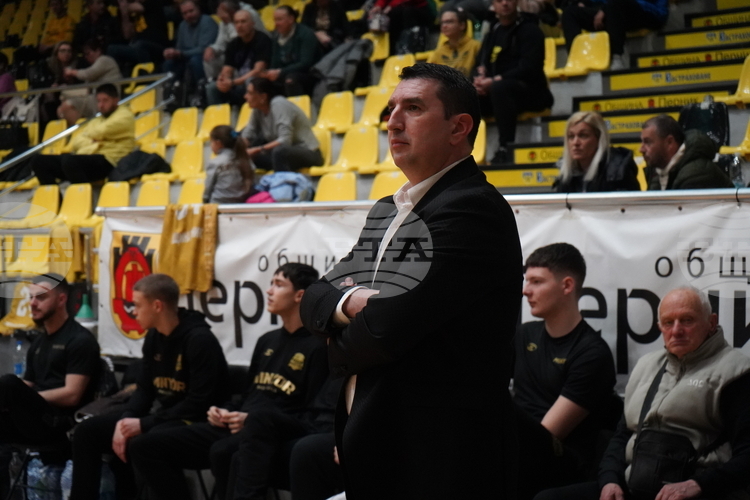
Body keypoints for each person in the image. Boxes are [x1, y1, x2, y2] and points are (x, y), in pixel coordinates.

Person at [299, 63, 523, 499]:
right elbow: (314, 297)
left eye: (414, 108)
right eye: (391, 109)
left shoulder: (471, 209)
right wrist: (353, 304)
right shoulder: (388, 208)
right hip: (381, 441)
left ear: (459, 127)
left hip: (437, 457)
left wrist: (335, 335)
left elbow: (387, 327)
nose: (393, 121)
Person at [126, 264, 328, 500]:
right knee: (145, 445)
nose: (269, 291)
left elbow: (311, 413)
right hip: (237, 424)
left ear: (299, 295)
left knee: (224, 452)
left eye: (279, 285)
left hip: (269, 431)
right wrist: (225, 411)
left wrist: (251, 419)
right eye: (271, 283)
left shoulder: (319, 347)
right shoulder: (267, 341)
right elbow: (250, 395)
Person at [535, 286, 750, 500]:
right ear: (660, 327)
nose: (676, 330)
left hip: (697, 490)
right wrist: (609, 480)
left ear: (711, 323)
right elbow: (623, 435)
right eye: (668, 322)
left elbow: (747, 454)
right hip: (634, 485)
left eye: (687, 320)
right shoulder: (646, 365)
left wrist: (698, 485)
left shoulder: (735, 372)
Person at [70, 273, 229, 500]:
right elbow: (144, 389)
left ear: (157, 306)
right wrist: (126, 419)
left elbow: (198, 404)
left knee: (143, 441)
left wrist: (143, 424)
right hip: (164, 417)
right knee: (88, 431)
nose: (133, 311)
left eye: (137, 305)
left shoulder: (199, 340)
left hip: (195, 421)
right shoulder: (154, 336)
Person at [515, 243, 618, 499]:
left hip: (560, 463)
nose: (526, 290)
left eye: (537, 281)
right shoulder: (524, 335)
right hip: (517, 449)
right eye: (527, 281)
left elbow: (547, 436)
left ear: (567, 285)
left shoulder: (592, 353)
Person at [0, 274, 100, 500]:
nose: (33, 303)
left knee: (8, 382)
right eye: (31, 297)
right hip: (32, 419)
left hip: (60, 424)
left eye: (41, 297)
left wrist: (25, 396)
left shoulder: (80, 340)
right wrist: (15, 395)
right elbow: (27, 384)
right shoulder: (39, 342)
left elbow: (72, 394)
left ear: (61, 299)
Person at [474, 0, 553, 165]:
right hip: (498, 92)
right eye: (499, 0)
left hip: (531, 92)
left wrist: (494, 80)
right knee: (464, 94)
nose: (504, 3)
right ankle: (464, 154)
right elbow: (479, 64)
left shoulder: (531, 30)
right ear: (493, 5)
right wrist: (478, 80)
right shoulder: (493, 32)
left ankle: (505, 148)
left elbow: (529, 68)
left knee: (500, 88)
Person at [31, 83, 135, 185]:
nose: (101, 105)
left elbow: (102, 131)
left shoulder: (125, 115)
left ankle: (82, 195)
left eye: (105, 100)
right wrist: (95, 140)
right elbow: (76, 141)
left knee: (70, 161)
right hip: (88, 157)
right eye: (98, 101)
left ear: (116, 100)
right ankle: (55, 195)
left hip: (110, 161)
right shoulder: (97, 119)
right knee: (39, 161)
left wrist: (90, 137)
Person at [241, 78, 324, 172]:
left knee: (279, 151)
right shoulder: (257, 109)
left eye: (249, 93)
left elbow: (285, 140)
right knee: (247, 157)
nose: (245, 96)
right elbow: (248, 134)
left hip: (308, 153)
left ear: (263, 97)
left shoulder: (279, 104)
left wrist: (257, 149)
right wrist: (237, 148)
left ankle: (282, 180)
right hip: (282, 155)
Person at [561, 0, 668, 70]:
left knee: (615, 4)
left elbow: (656, 9)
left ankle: (617, 58)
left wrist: (606, 8)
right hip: (615, 12)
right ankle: (575, 59)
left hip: (649, 13)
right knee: (570, 12)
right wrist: (586, 2)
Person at [640, 114, 733, 190]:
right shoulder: (658, 171)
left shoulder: (696, 175)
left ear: (669, 142)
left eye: (648, 142)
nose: (641, 149)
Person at [555, 111, 640, 193]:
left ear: (599, 139)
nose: (575, 143)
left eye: (583, 135)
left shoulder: (618, 169)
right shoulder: (566, 173)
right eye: (571, 136)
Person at [206, 9, 272, 106]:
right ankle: (219, 115)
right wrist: (223, 80)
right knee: (212, 87)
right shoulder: (233, 44)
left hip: (259, 83)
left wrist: (233, 82)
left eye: (243, 21)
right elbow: (227, 70)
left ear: (252, 23)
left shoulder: (262, 39)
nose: (239, 25)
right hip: (238, 84)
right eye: (236, 22)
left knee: (250, 82)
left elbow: (258, 71)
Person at [58, 38, 123, 126]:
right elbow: (86, 87)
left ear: (98, 51)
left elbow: (88, 74)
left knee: (67, 105)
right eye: (85, 55)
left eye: (88, 53)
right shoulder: (95, 65)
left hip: (106, 97)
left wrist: (72, 72)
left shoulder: (104, 60)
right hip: (95, 96)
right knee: (60, 110)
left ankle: (82, 131)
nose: (86, 57)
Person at [203, 0, 268, 81]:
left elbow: (247, 35)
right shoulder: (224, 22)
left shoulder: (249, 14)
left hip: (253, 51)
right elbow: (221, 43)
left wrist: (233, 82)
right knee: (209, 58)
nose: (220, 16)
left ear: (231, 12)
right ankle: (212, 81)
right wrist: (212, 48)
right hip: (232, 51)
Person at [264, 6, 321, 97]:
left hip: (307, 74)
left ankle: (297, 105)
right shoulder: (276, 37)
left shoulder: (306, 34)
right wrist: (271, 73)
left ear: (291, 19)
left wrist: (280, 72)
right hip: (284, 72)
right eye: (275, 20)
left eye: (279, 20)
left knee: (291, 80)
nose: (276, 24)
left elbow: (305, 63)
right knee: (259, 82)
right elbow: (274, 61)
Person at [163, 0, 219, 87]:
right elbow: (179, 48)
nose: (188, 15)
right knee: (169, 63)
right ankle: (171, 90)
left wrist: (181, 53)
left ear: (198, 9)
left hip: (205, 57)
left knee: (195, 60)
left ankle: (202, 89)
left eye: (191, 11)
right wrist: (172, 53)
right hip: (186, 57)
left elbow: (203, 48)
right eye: (184, 13)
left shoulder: (207, 21)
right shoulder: (182, 25)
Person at [107, 0, 169, 74]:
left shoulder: (152, 2)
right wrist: (124, 14)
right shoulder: (132, 12)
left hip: (158, 46)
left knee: (140, 45)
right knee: (112, 49)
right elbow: (127, 35)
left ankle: (148, 75)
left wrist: (124, 6)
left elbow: (140, 8)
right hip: (138, 48)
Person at [204, 125, 255, 203]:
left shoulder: (214, 163)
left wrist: (205, 201)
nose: (211, 145)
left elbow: (208, 189)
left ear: (218, 143)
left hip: (219, 204)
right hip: (242, 204)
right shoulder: (247, 160)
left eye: (211, 141)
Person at [427, 8, 482, 78]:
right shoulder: (439, 51)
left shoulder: (476, 46)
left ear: (462, 25)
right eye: (442, 23)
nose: (444, 26)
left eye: (449, 22)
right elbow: (427, 74)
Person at [368, 0, 433, 55]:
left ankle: (410, 47)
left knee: (406, 13)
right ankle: (388, 50)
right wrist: (378, 6)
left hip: (419, 10)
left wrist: (391, 5)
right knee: (389, 15)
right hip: (400, 9)